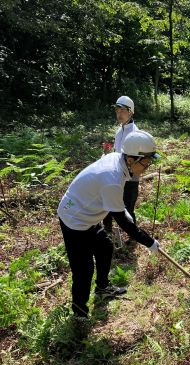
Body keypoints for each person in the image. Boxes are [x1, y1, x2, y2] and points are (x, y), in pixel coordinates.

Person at [58, 131, 160, 339]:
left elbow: (119, 210)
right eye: (146, 162)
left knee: (105, 247)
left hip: (89, 214)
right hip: (75, 219)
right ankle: (79, 315)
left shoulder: (119, 160)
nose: (147, 167)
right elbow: (124, 224)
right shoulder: (112, 178)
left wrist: (123, 212)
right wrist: (149, 242)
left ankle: (102, 287)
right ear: (132, 159)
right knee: (84, 269)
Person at [103, 95, 139, 235]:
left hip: (130, 178)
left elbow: (135, 159)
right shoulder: (119, 131)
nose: (119, 114)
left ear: (130, 112)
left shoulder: (134, 133)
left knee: (128, 210)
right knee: (109, 207)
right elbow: (117, 152)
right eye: (117, 111)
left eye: (123, 111)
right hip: (116, 176)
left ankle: (134, 237)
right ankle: (108, 235)